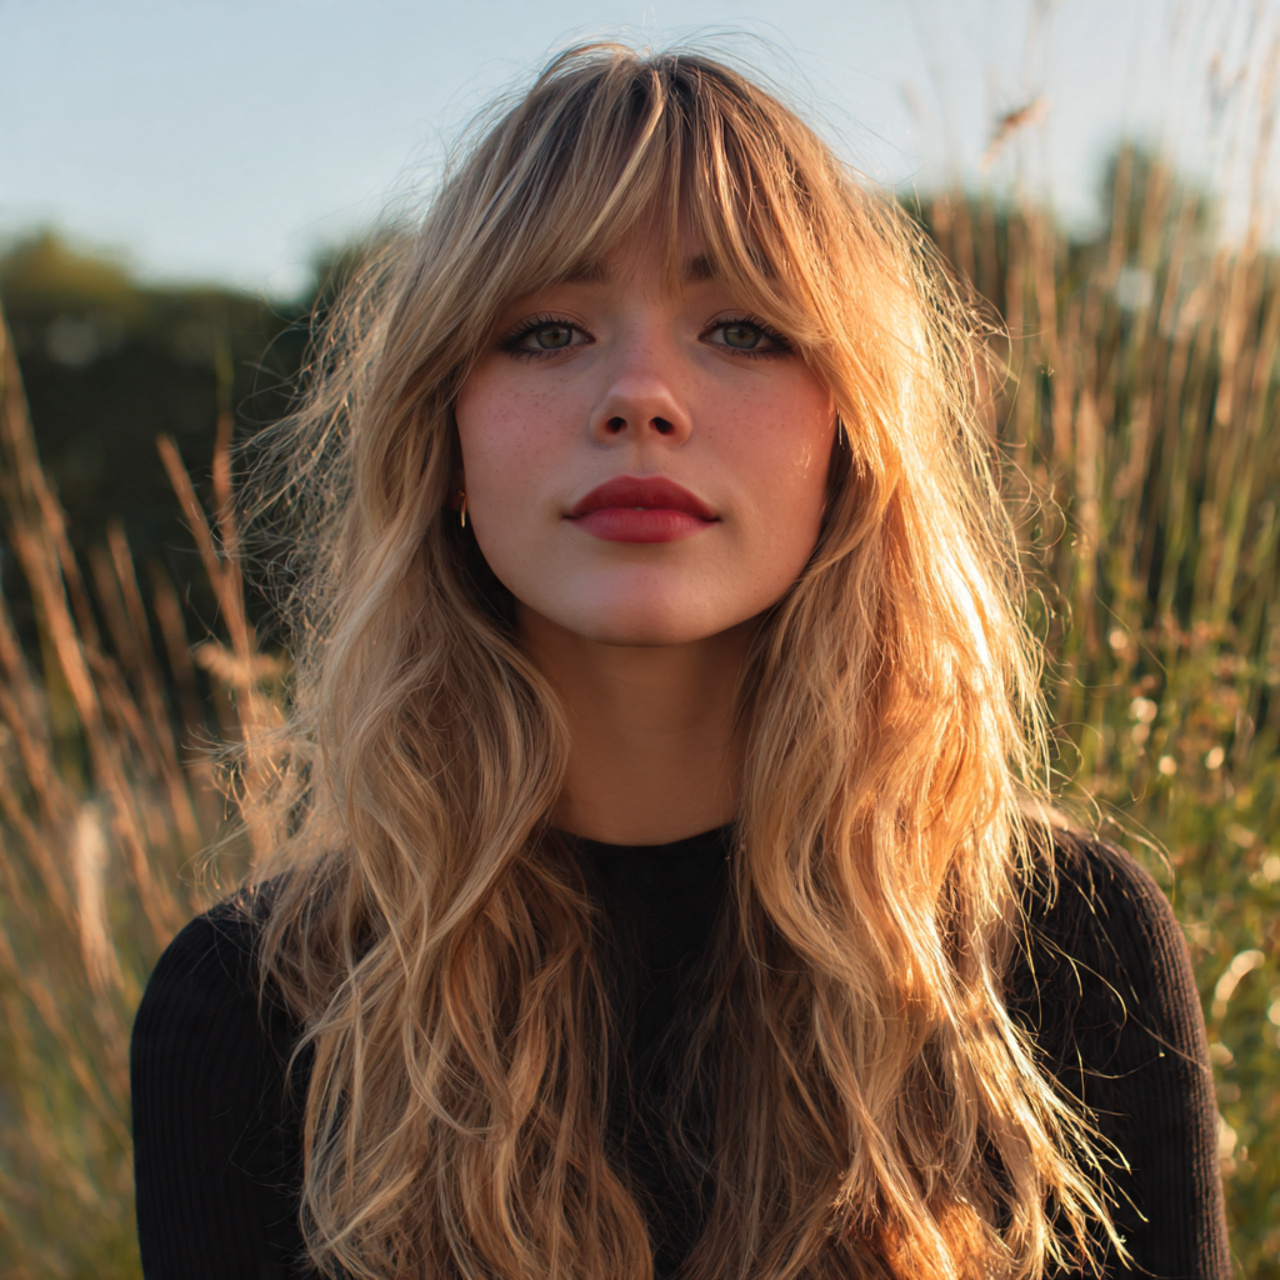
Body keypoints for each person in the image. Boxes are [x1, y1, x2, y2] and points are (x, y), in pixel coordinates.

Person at [131, 44, 1230, 1280]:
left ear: (850, 438)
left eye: (741, 328)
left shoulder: (1054, 950)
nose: (640, 396)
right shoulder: (256, 1009)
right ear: (440, 436)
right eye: (545, 329)